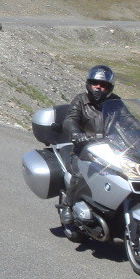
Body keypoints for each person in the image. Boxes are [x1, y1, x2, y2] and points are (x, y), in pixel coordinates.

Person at [59, 65, 120, 222]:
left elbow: (129, 120)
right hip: (84, 149)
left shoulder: (115, 102)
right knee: (79, 174)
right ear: (89, 83)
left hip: (111, 150)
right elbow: (70, 119)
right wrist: (76, 134)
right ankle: (67, 205)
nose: (99, 87)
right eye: (95, 83)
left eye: (103, 85)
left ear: (109, 87)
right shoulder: (81, 100)